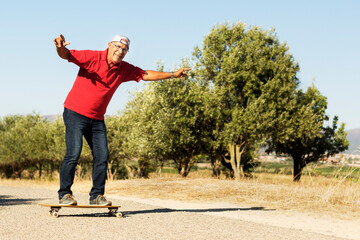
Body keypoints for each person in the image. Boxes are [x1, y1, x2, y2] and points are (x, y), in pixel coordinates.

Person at [54, 34, 190, 206]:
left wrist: (173, 74)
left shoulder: (123, 69)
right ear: (109, 45)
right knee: (74, 153)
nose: (120, 51)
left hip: (97, 118)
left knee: (102, 156)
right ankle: (64, 194)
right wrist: (59, 47)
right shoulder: (93, 57)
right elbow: (66, 55)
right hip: (75, 112)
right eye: (118, 47)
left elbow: (145, 74)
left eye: (124, 49)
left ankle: (96, 196)